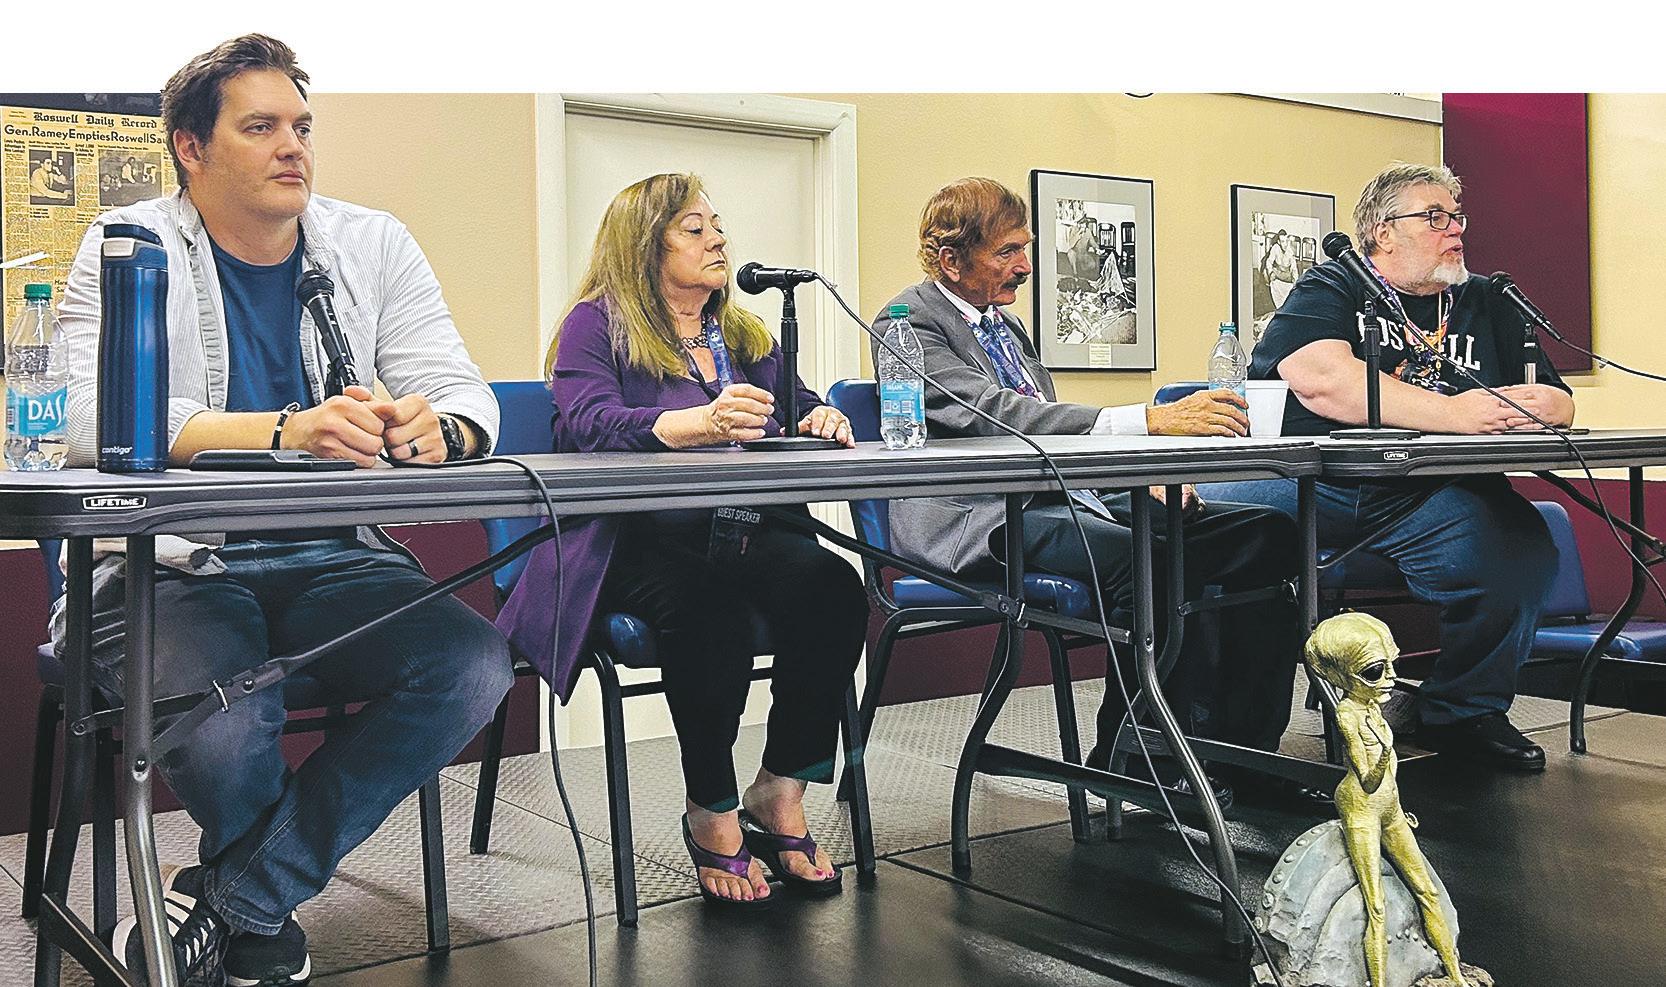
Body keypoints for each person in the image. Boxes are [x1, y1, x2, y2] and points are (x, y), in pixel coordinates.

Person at [52, 35, 512, 985]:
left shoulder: (372, 242)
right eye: (261, 127)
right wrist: (283, 430)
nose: (293, 146)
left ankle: (237, 901)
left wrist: (444, 430)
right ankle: (259, 918)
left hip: (337, 557)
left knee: (471, 666)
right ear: (190, 147)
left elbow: (460, 387)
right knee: (228, 719)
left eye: (301, 126)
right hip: (167, 562)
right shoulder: (128, 243)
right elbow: (90, 422)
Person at [496, 173, 866, 908]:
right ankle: (712, 808)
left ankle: (780, 788)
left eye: (717, 225)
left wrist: (821, 416)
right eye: (695, 229)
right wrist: (694, 425)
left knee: (834, 588)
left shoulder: (742, 333)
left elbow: (794, 402)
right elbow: (588, 424)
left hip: (739, 529)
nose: (718, 239)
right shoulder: (595, 325)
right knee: (708, 612)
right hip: (631, 538)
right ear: (645, 245)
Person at [872, 177, 1305, 801]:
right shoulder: (907, 323)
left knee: (1267, 535)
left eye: (1026, 249)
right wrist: (1148, 421)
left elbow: (1053, 438)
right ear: (951, 260)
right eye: (1007, 252)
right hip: (982, 521)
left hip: (1062, 499)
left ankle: (1244, 753)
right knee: (1149, 560)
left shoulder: (1004, 326)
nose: (1026, 267)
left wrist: (1137, 481)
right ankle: (1133, 756)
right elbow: (996, 415)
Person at [1239, 162, 1573, 772]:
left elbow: (1553, 397)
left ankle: (1463, 712)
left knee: (1519, 549)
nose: (1455, 229)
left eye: (1457, 216)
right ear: (1383, 232)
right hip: (1314, 482)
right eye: (1435, 217)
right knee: (1202, 532)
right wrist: (1456, 413)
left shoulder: (1486, 300)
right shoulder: (1335, 284)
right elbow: (1321, 381)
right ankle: (1219, 735)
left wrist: (1547, 407)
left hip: (1424, 492)